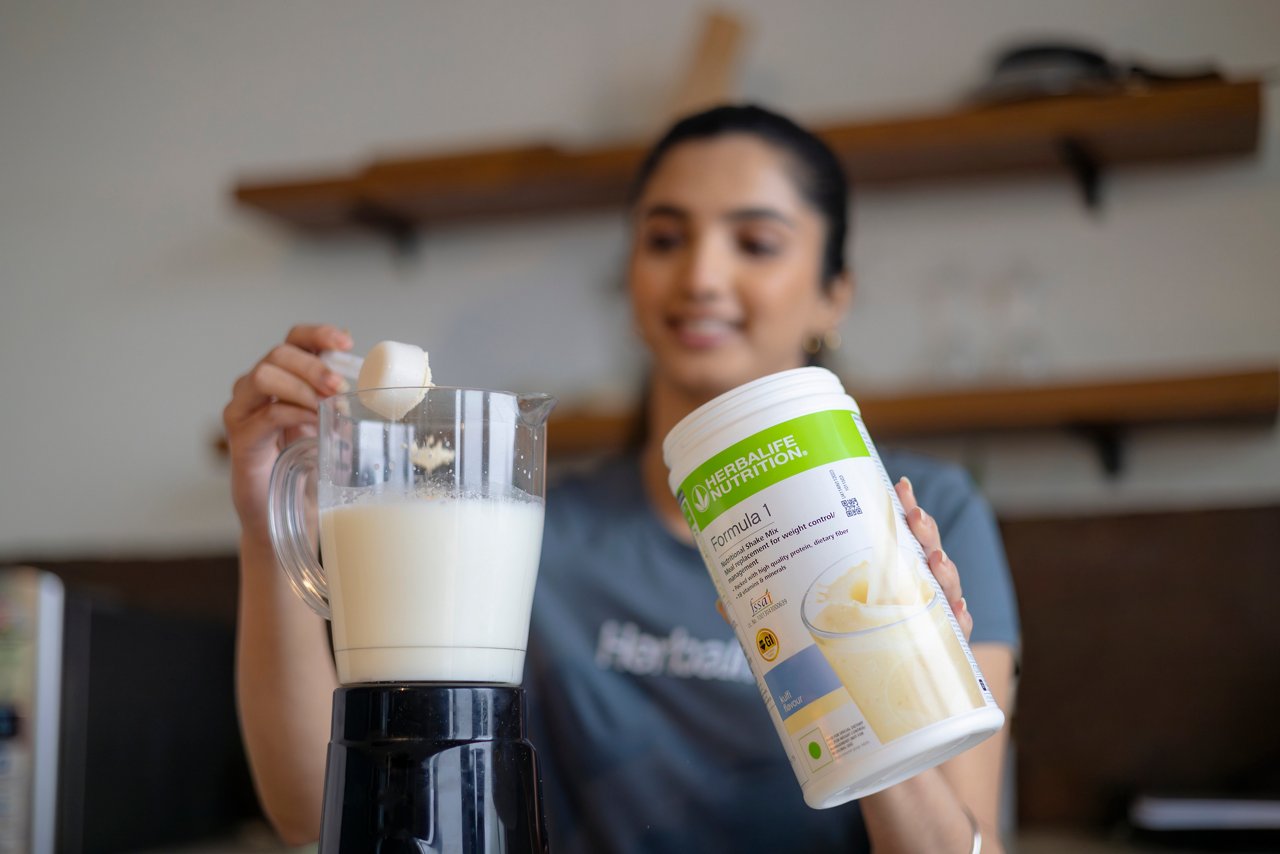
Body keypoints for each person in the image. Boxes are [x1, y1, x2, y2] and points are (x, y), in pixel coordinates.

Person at [224, 105, 1019, 853]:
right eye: (666, 239)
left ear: (832, 292)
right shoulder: (533, 529)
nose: (701, 276)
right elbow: (309, 804)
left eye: (757, 243)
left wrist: (886, 667)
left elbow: (964, 844)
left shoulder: (921, 516)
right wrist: (271, 518)